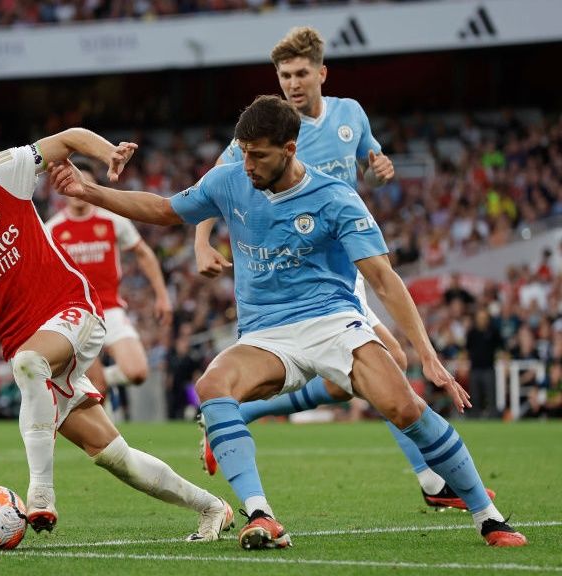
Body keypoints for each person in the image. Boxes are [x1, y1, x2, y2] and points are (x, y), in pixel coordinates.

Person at [47, 95, 526, 549]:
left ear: (289, 149)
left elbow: (382, 278)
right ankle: (260, 515)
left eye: (257, 156)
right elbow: (164, 209)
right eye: (244, 154)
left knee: (404, 407)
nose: (246, 164)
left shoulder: (335, 197)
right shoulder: (230, 179)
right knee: (213, 385)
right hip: (265, 334)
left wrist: (429, 355)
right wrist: (89, 190)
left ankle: (487, 515)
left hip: (333, 323)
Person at [191, 26, 494, 511]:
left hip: (344, 261)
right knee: (385, 364)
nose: (291, 83)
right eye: (283, 74)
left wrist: (379, 161)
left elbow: (367, 148)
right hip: (302, 271)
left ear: (321, 73)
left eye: (300, 73)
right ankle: (432, 480)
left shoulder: (350, 113)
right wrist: (202, 241)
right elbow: (215, 188)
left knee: (347, 380)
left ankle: (235, 415)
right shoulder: (273, 134)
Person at [0, 131, 232, 541]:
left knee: (28, 363)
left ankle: (41, 495)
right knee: (115, 457)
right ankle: (213, 508)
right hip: (29, 348)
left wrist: (108, 153)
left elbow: (68, 139)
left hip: (74, 309)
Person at [45, 160, 172, 414]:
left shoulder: (112, 221)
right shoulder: (53, 229)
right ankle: (105, 440)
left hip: (111, 309)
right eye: (72, 181)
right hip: (77, 315)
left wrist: (162, 295)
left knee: (137, 372)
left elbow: (144, 253)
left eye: (84, 181)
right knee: (97, 391)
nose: (77, 187)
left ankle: (96, 380)